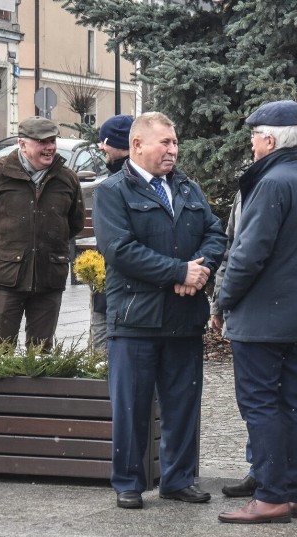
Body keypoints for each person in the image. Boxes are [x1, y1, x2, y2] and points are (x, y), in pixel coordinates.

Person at [93, 112, 227, 509]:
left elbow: (215, 233)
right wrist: (177, 272)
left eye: (174, 142)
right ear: (137, 146)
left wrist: (198, 270)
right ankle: (129, 482)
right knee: (132, 406)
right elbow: (119, 250)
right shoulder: (113, 191)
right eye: (164, 143)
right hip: (136, 319)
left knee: (183, 405)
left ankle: (178, 479)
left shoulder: (186, 187)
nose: (173, 150)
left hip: (184, 316)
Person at [216, 100, 297, 524]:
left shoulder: (272, 182)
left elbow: (248, 254)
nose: (250, 144)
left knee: (261, 404)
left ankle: (270, 495)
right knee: (292, 402)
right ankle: (293, 493)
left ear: (267, 139)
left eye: (253, 137)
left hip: (261, 318)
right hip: (295, 315)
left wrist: (224, 299)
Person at [0, 116, 84, 350]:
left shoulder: (66, 178)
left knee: (41, 352)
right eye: (42, 142)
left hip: (50, 275)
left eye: (52, 141)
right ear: (22, 144)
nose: (49, 147)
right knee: (1, 349)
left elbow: (75, 222)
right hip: (7, 276)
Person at [89, 114, 134, 354]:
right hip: (109, 285)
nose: (100, 147)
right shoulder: (117, 178)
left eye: (103, 142)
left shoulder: (117, 183)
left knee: (105, 353)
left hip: (114, 288)